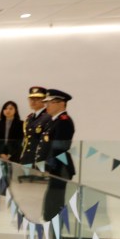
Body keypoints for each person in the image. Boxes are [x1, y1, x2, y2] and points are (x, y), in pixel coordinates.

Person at [37, 89, 76, 220]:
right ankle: (51, 224)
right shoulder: (54, 121)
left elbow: (59, 148)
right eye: (46, 102)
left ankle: (55, 228)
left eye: (50, 102)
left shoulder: (64, 121)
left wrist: (49, 165)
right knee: (51, 200)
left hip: (60, 166)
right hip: (54, 166)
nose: (46, 105)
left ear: (61, 104)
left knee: (55, 201)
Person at [21, 86, 51, 165]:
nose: (33, 101)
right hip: (28, 158)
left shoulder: (48, 117)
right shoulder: (29, 118)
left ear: (44, 100)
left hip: (40, 159)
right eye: (31, 99)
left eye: (37, 99)